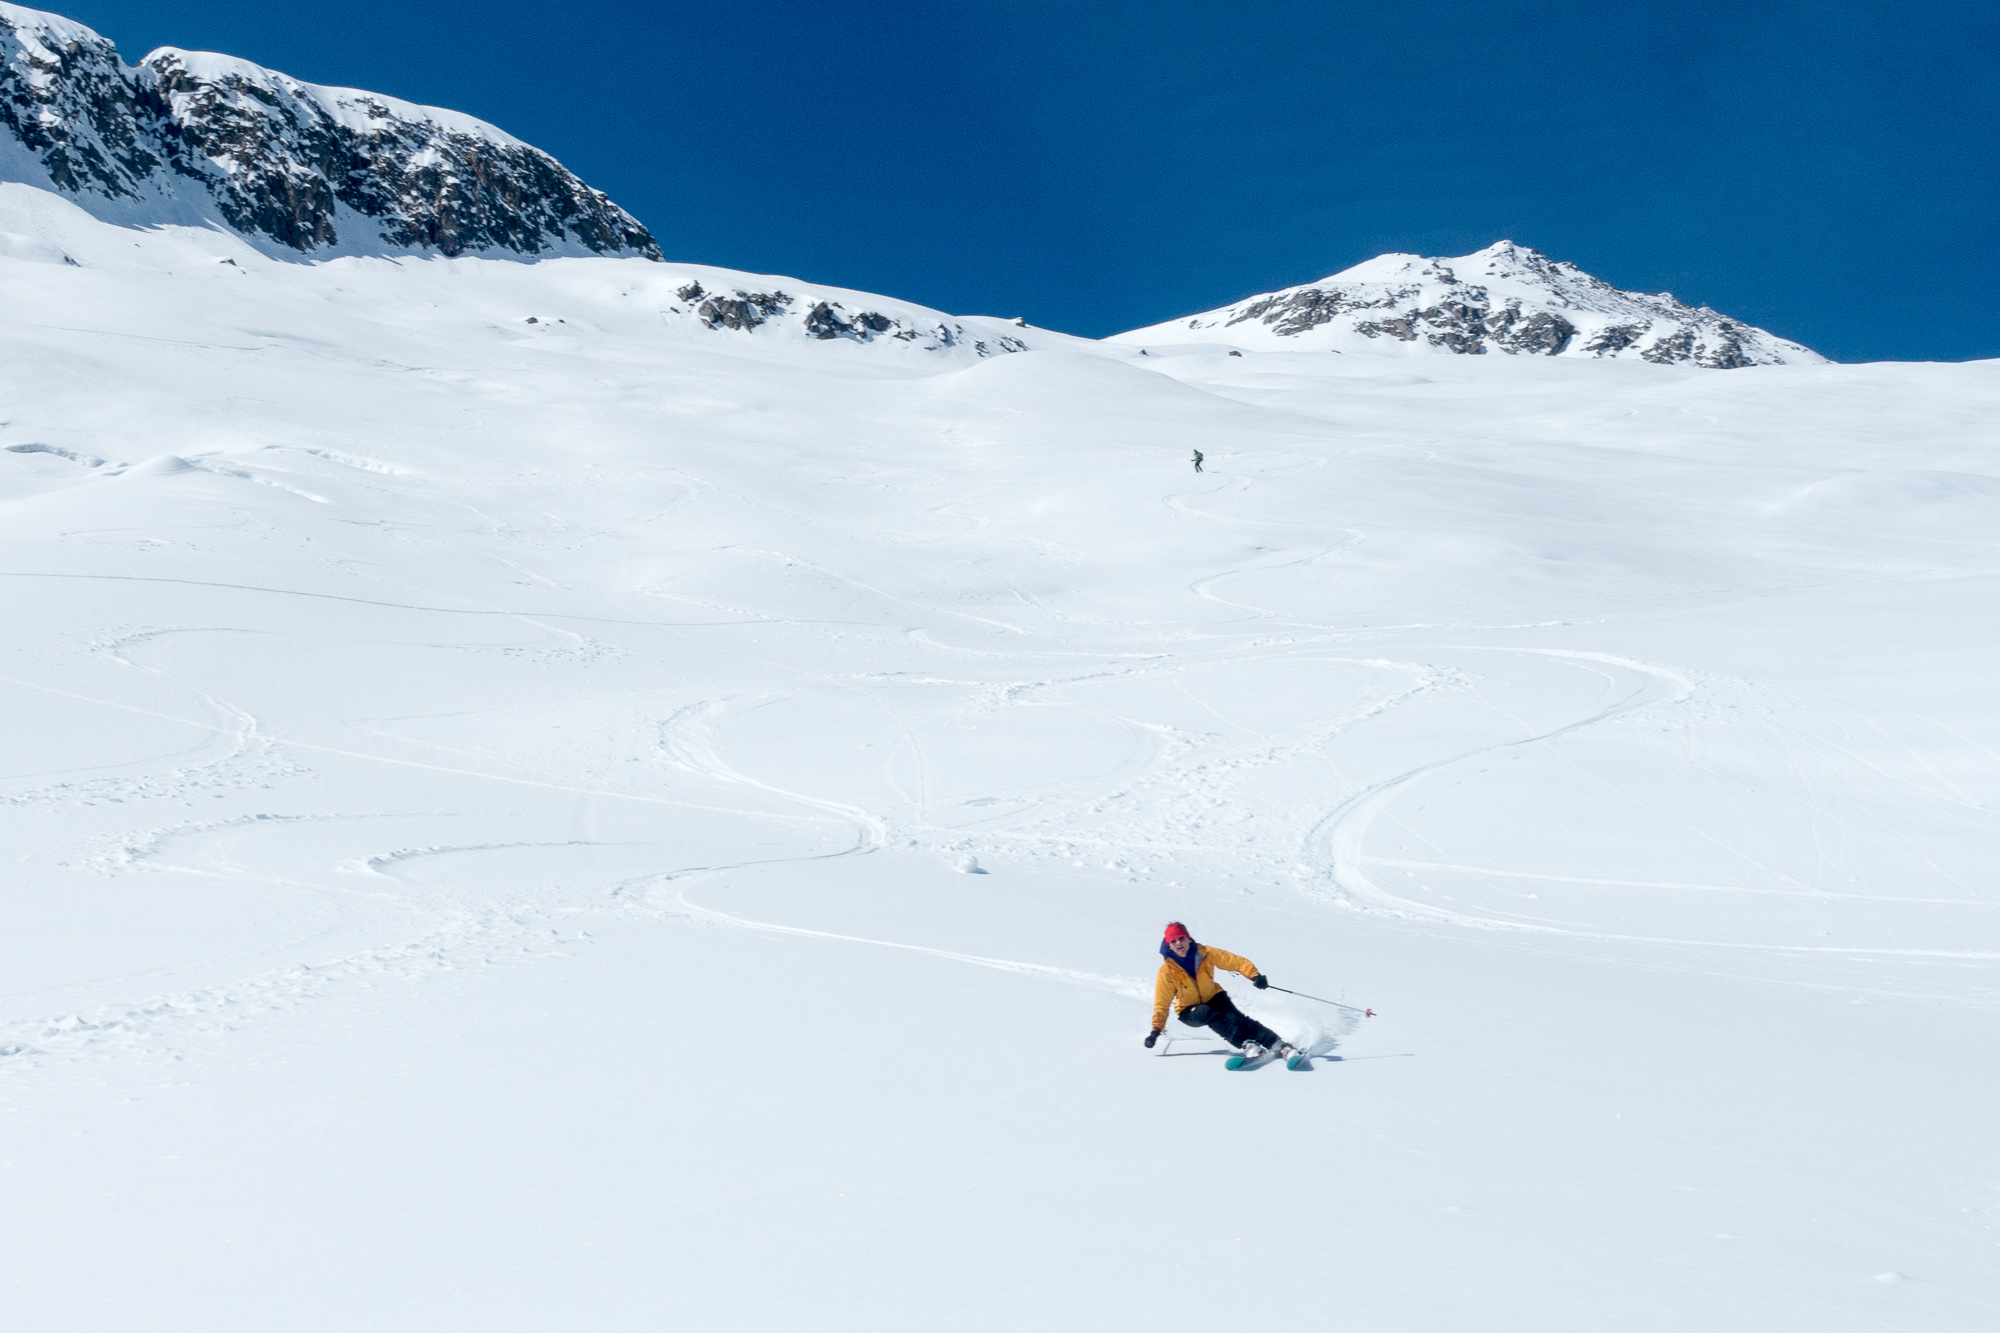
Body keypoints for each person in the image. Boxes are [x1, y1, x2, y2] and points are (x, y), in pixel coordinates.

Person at [1145, 921, 1293, 1059]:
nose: (1179, 943)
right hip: (1188, 1011)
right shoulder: (1166, 972)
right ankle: (1246, 1044)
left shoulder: (1205, 953)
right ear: (1168, 945)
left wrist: (1254, 975)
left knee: (1238, 1019)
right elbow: (1161, 1004)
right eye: (1173, 941)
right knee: (1205, 1012)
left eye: (1181, 938)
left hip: (1214, 996)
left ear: (1188, 939)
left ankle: (1278, 1045)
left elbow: (1235, 961)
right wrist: (1156, 1030)